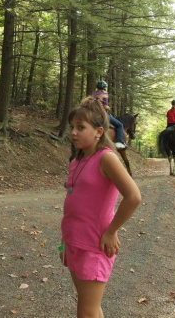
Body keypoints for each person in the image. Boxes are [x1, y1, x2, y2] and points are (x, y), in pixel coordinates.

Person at [61, 97, 141, 318]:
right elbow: (74, 203)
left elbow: (133, 196)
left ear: (98, 131)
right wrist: (64, 242)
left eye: (80, 127)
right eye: (72, 128)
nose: (73, 133)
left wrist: (111, 231)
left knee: (86, 311)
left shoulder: (107, 159)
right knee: (89, 307)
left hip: (95, 245)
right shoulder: (77, 160)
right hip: (74, 241)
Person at [92, 80, 127, 150]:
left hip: (93, 114)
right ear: (105, 87)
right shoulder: (105, 93)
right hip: (103, 114)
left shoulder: (94, 94)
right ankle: (119, 142)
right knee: (120, 125)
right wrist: (108, 107)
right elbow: (105, 106)